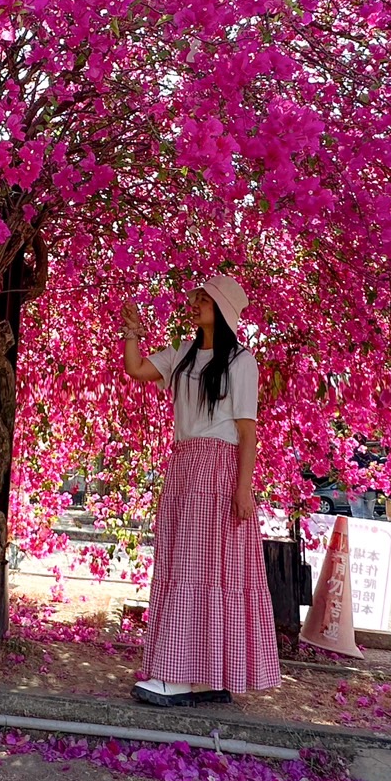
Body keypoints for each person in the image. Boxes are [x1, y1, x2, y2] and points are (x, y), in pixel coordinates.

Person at [120, 276, 282, 706]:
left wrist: (243, 489)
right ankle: (205, 676)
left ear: (223, 309)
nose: (193, 303)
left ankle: (178, 676)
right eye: (194, 296)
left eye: (203, 298)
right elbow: (136, 369)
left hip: (218, 469)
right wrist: (132, 332)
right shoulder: (184, 355)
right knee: (186, 564)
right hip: (186, 465)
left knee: (204, 568)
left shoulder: (241, 362)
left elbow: (248, 431)